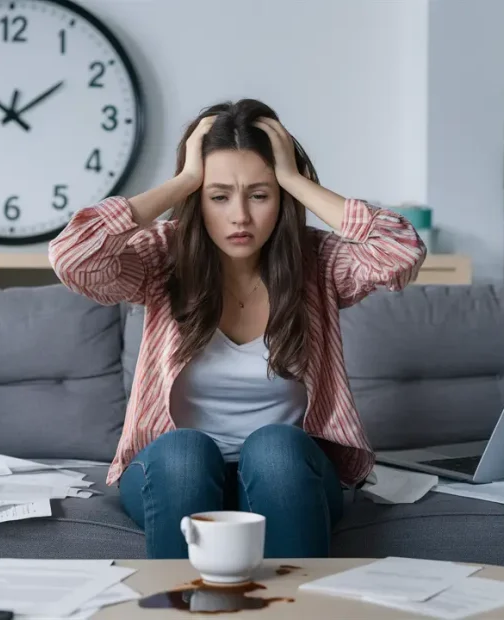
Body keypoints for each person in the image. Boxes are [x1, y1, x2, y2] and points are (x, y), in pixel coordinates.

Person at [49, 99, 426, 560]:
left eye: (260, 194)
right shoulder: (162, 257)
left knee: (276, 446)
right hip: (175, 475)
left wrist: (295, 180)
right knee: (184, 451)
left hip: (285, 475)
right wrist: (184, 181)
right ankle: (179, 610)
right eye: (219, 195)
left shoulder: (318, 263)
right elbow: (73, 256)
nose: (240, 217)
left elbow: (401, 249)